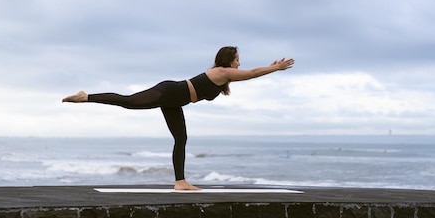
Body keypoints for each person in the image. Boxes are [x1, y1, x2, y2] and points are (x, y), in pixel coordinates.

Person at [62, 46, 295, 191]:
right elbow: (252, 73)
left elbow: (250, 73)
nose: (239, 63)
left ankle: (180, 182)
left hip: (175, 101)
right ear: (228, 60)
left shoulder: (225, 77)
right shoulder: (222, 72)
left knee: (181, 139)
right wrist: (274, 69)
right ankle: (87, 96)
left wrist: (271, 67)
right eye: (237, 59)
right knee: (129, 101)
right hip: (170, 92)